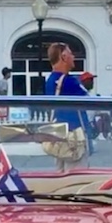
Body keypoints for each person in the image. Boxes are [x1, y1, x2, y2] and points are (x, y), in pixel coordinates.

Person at [44, 42, 93, 170]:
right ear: (63, 56)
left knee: (60, 174)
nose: (73, 57)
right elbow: (89, 101)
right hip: (75, 137)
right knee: (77, 179)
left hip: (59, 135)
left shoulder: (50, 80)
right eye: (71, 54)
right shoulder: (70, 81)